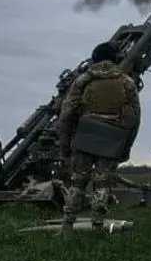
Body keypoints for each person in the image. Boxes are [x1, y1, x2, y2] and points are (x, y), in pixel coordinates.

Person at [57, 42, 141, 234]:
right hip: (112, 140)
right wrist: (126, 146)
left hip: (85, 136)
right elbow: (135, 118)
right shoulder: (127, 82)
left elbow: (66, 113)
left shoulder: (83, 80)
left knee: (77, 183)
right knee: (102, 184)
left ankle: (67, 225)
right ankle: (97, 226)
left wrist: (65, 145)